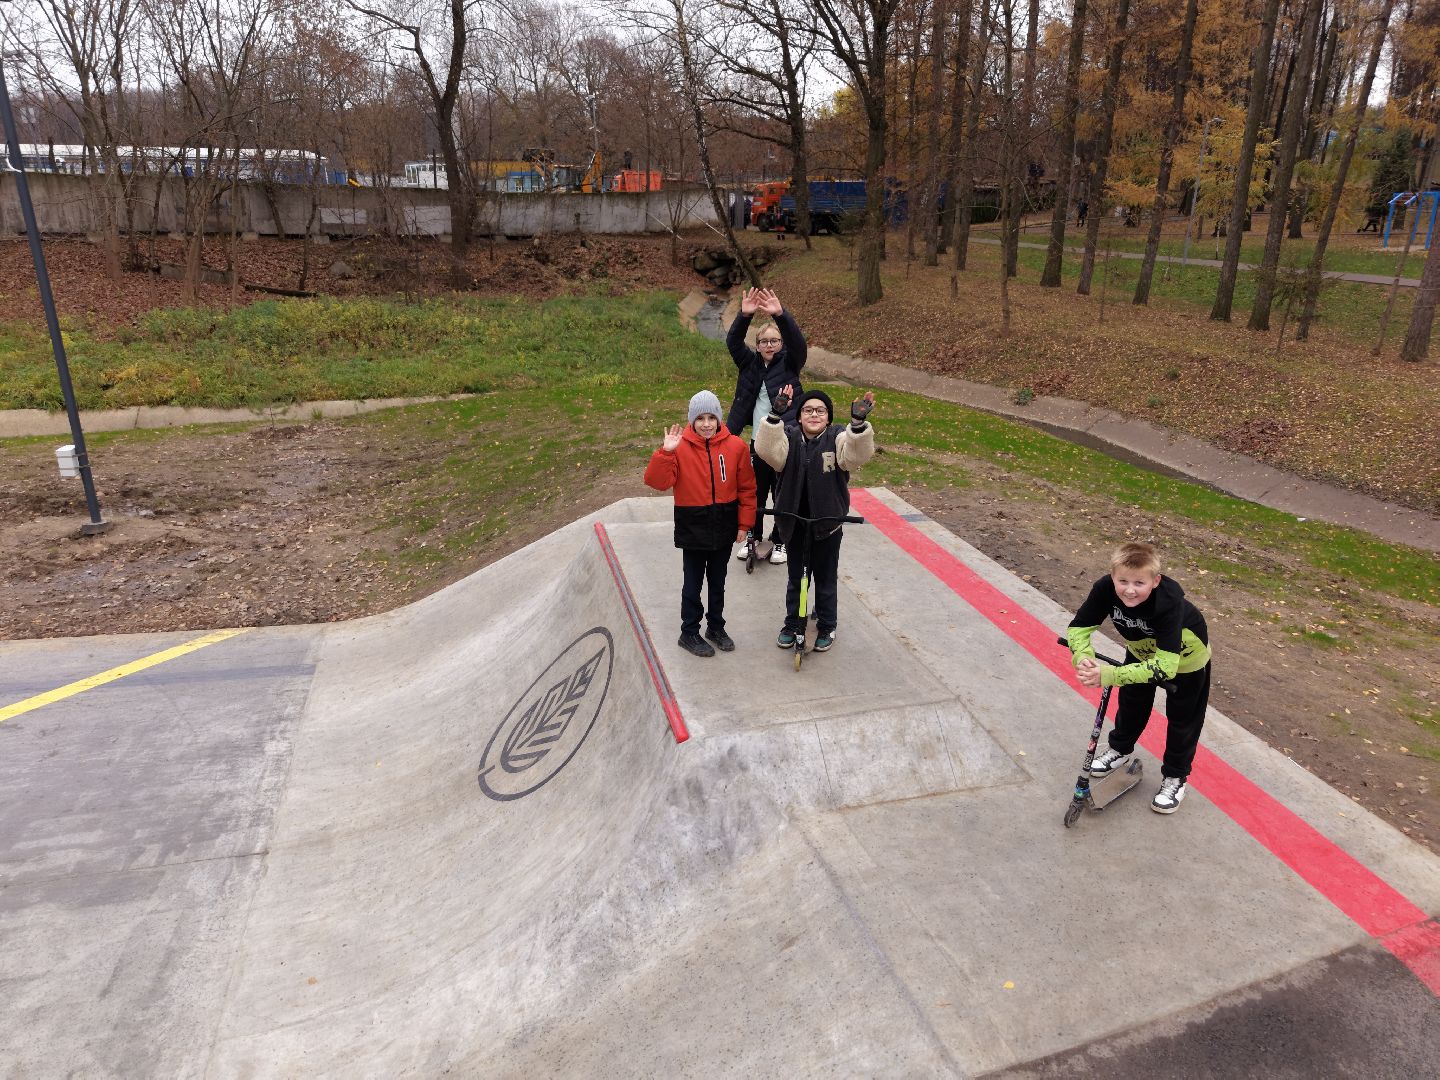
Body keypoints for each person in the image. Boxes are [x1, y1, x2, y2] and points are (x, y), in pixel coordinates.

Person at [1066, 542, 1212, 814]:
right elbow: (1079, 628)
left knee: (1183, 720)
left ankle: (1175, 777)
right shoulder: (1104, 590)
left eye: (1139, 583)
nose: (1129, 590)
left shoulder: (1169, 603)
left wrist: (1110, 674)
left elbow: (1166, 668)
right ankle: (1119, 750)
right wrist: (1082, 657)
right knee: (1132, 702)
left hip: (1185, 660)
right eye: (1123, 581)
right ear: (1112, 577)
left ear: (1155, 581)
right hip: (1142, 651)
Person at [754, 385, 875, 654]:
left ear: (829, 417)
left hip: (828, 523)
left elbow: (855, 457)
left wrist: (858, 425)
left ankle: (827, 624)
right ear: (798, 416)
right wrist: (774, 415)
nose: (814, 415)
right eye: (808, 410)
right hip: (794, 522)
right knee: (797, 577)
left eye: (821, 411)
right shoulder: (789, 437)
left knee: (825, 577)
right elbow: (768, 452)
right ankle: (792, 623)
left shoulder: (838, 438)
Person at [644, 390, 757, 658]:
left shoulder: (736, 447)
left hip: (724, 525)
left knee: (718, 582)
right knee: (692, 584)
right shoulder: (679, 447)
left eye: (711, 417)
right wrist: (666, 453)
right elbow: (656, 482)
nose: (706, 424)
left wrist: (744, 524)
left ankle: (715, 627)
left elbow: (747, 489)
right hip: (692, 526)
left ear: (719, 419)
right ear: (691, 420)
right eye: (700, 418)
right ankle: (689, 631)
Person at [726, 286, 806, 566]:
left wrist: (781, 315)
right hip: (758, 443)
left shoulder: (791, 363)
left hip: (784, 443)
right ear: (757, 344)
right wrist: (745, 316)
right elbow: (733, 342)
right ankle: (752, 537)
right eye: (764, 341)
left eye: (775, 341)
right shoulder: (748, 363)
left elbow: (799, 344)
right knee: (755, 493)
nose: (770, 345)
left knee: (783, 495)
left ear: (781, 344)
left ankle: (781, 542)